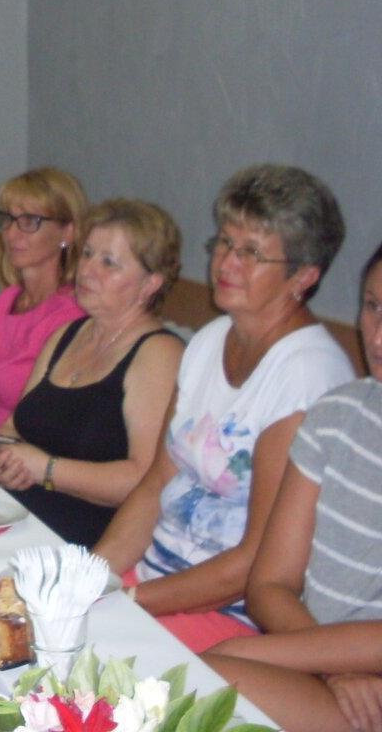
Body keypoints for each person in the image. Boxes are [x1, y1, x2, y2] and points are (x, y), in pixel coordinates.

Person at [94, 164, 354, 653]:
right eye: (225, 243)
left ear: (303, 275)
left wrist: (128, 600)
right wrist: (94, 576)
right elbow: (157, 482)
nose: (226, 262)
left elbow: (255, 561)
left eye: (251, 252)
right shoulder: (210, 340)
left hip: (232, 615)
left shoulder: (306, 376)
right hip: (153, 583)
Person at [203, 242, 382, 732]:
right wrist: (333, 668)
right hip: (328, 666)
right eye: (373, 306)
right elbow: (269, 585)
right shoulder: (337, 415)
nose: (378, 336)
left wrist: (311, 659)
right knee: (198, 683)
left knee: (214, 671)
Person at [0, 199, 184, 547]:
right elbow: (15, 425)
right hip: (14, 517)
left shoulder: (159, 354)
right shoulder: (68, 334)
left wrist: (46, 469)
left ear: (150, 284)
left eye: (108, 263)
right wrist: (0, 456)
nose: (87, 270)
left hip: (84, 539)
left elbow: (145, 479)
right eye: (87, 254)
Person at [0, 168, 88, 465]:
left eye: (30, 221)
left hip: (23, 464)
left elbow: (53, 429)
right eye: (7, 219)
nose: (11, 233)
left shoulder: (73, 316)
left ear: (67, 232)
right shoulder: (7, 299)